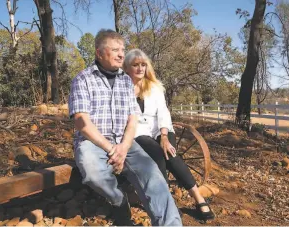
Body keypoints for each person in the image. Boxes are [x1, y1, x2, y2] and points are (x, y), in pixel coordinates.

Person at [68, 30, 182, 226]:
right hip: (93, 142)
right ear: (99, 53)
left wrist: (123, 147)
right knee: (93, 171)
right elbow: (81, 122)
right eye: (115, 50)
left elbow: (132, 119)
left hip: (125, 143)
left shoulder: (125, 81)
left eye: (122, 49)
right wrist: (111, 149)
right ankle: (119, 201)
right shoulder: (83, 79)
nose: (122, 54)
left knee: (152, 175)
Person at [123, 49, 215, 221]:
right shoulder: (122, 89)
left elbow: (163, 113)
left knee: (170, 154)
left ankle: (198, 198)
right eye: (135, 65)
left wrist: (164, 136)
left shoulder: (154, 86)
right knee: (158, 155)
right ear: (127, 67)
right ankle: (166, 203)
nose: (140, 68)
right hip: (139, 132)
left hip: (161, 129)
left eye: (143, 64)